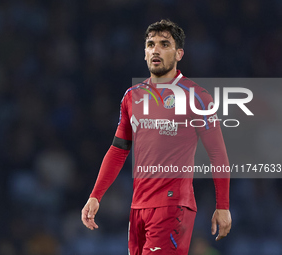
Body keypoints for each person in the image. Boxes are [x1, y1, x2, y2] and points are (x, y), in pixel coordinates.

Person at [81, 19, 232, 255]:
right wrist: (95, 195)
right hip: (138, 206)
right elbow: (119, 150)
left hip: (173, 207)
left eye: (164, 44)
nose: (156, 50)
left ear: (179, 53)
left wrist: (222, 206)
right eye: (150, 44)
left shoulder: (197, 97)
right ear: (144, 53)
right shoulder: (132, 97)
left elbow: (218, 154)